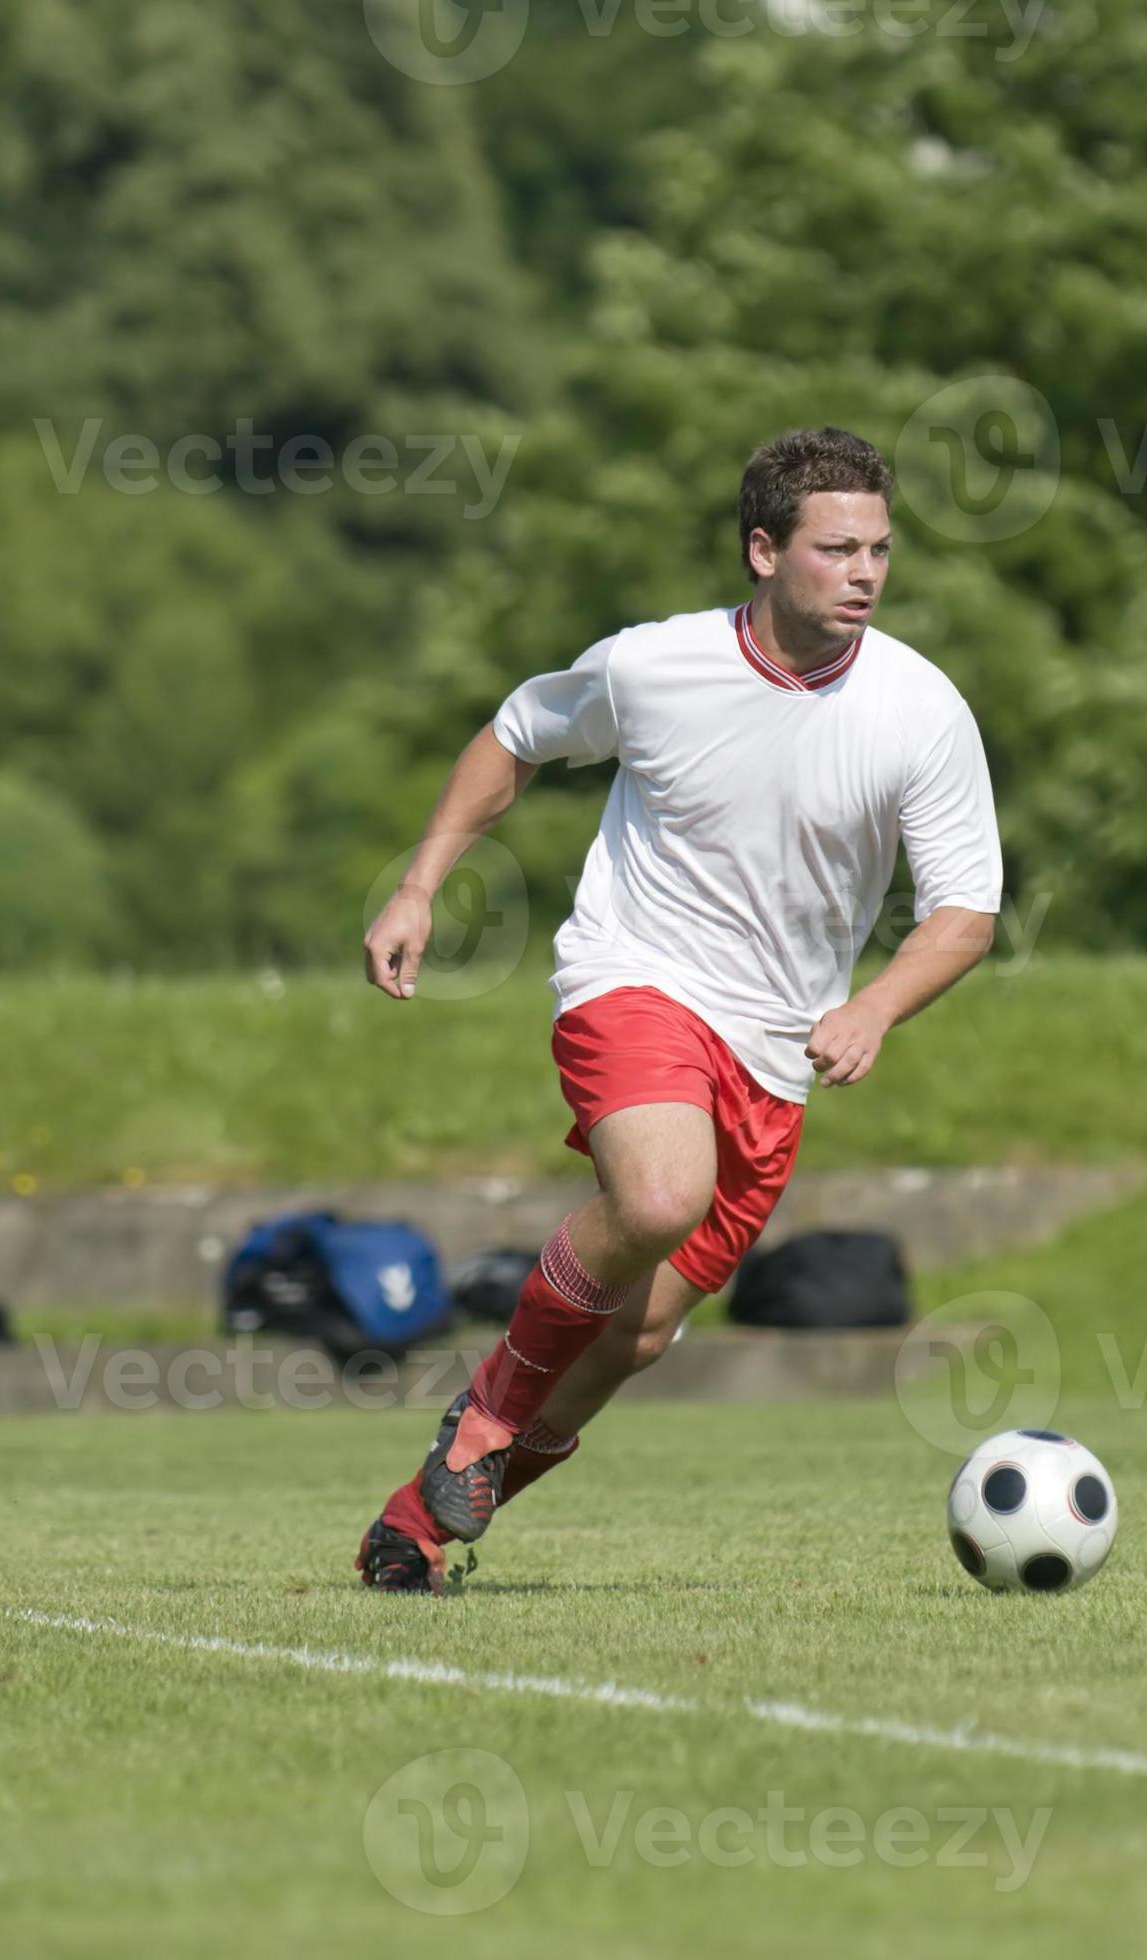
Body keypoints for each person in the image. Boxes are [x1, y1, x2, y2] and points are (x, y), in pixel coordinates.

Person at [353, 427, 1003, 1592]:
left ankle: (420, 1522)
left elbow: (965, 913)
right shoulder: (653, 666)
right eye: (836, 549)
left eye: (882, 551)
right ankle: (485, 1414)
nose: (865, 573)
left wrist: (878, 1006)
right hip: (636, 972)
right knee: (657, 1196)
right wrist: (420, 881)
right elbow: (516, 737)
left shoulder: (921, 708)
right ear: (764, 550)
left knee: (636, 1335)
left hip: (779, 1043)